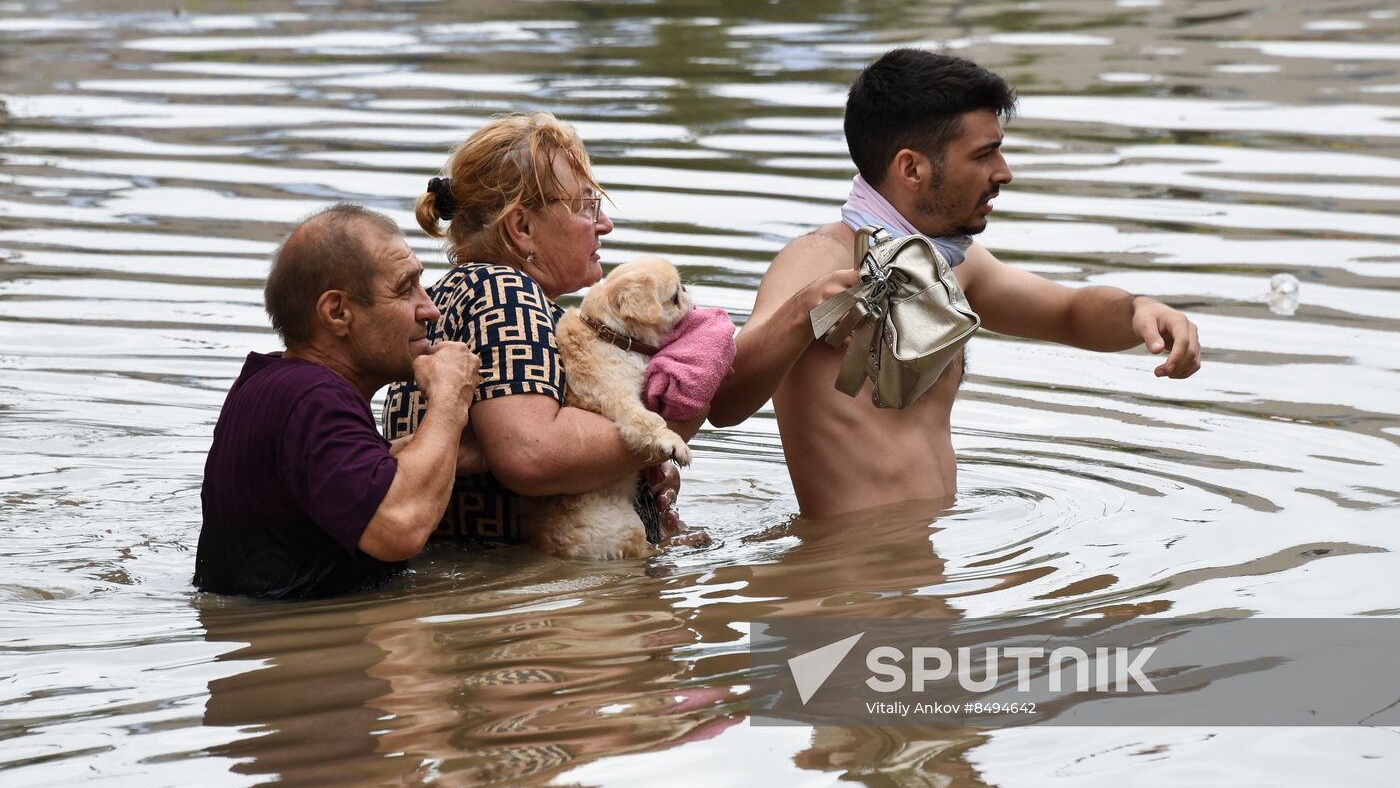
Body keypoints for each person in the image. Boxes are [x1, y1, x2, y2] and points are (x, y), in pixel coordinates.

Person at [708, 49, 1201, 518]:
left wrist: (1140, 311)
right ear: (912, 168)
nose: (1004, 173)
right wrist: (802, 313)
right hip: (848, 581)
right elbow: (723, 402)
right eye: (985, 155)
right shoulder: (817, 260)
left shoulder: (956, 265)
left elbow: (1068, 314)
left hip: (932, 568)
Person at [385, 112, 779, 547]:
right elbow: (533, 454)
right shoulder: (505, 291)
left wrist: (630, 474)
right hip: (526, 597)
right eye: (587, 206)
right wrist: (673, 423)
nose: (604, 224)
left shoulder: (447, 296)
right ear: (522, 227)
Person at [194, 204, 482, 599]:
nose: (429, 309)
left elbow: (351, 472)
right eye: (404, 289)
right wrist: (450, 398)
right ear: (337, 312)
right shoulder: (314, 399)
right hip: (304, 646)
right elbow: (401, 527)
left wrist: (477, 449)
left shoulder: (270, 382)